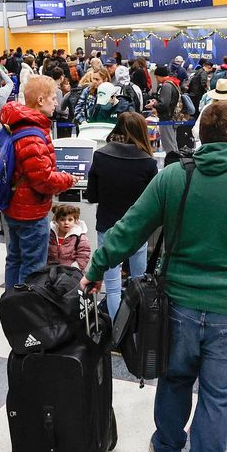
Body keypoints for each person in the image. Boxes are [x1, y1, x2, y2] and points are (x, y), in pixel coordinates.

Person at [80, 103, 227, 452]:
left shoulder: (173, 177)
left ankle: (167, 450)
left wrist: (96, 269)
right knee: (219, 394)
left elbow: (129, 228)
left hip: (178, 302)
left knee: (175, 377)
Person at [0, 76, 77, 288]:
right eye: (53, 98)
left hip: (13, 204)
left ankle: (11, 301)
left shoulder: (16, 124)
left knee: (15, 259)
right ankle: (25, 304)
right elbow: (43, 180)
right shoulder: (32, 135)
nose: (56, 102)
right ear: (41, 100)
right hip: (30, 212)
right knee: (32, 266)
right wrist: (68, 179)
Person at [85, 111, 158, 318]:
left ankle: (116, 330)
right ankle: (138, 327)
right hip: (137, 228)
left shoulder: (100, 155)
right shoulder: (148, 163)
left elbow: (92, 195)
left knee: (112, 287)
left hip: (107, 224)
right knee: (139, 281)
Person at [47, 204, 91, 271]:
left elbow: (84, 255)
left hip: (70, 272)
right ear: (57, 221)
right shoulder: (50, 235)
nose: (66, 222)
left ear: (75, 221)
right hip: (50, 270)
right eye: (62, 220)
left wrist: (75, 268)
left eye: (70, 220)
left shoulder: (79, 237)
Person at [152, 64, 183, 154]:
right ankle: (176, 160)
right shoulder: (173, 83)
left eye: (156, 77)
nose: (156, 79)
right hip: (173, 117)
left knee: (168, 145)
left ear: (159, 76)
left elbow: (163, 105)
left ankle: (172, 161)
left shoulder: (166, 85)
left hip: (167, 118)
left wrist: (154, 104)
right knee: (173, 143)